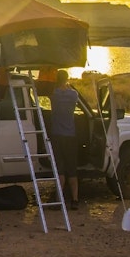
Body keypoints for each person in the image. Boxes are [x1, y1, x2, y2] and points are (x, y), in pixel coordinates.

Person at [50, 69, 80, 210]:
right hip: (70, 135)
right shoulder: (73, 94)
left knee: (60, 168)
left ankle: (59, 199)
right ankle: (75, 200)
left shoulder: (54, 94)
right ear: (67, 79)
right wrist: (68, 86)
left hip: (57, 135)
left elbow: (50, 91)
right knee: (72, 168)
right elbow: (74, 94)